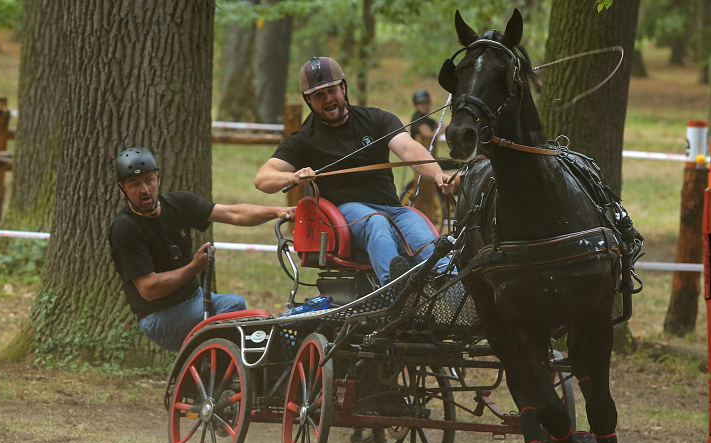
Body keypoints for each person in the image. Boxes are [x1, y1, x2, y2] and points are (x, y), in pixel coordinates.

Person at [254, 56, 455, 284]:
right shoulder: (303, 139)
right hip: (346, 214)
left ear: (343, 88)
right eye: (319, 95)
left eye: (332, 91)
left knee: (431, 246)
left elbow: (409, 149)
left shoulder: (376, 119)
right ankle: (394, 289)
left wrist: (437, 174)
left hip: (394, 209)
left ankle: (454, 291)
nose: (328, 99)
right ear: (308, 100)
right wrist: (293, 176)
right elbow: (263, 179)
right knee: (377, 222)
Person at [109, 147, 296, 351]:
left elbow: (233, 214)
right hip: (158, 317)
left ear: (158, 179)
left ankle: (270, 356)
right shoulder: (125, 229)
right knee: (233, 306)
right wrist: (194, 267)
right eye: (135, 184)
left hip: (195, 299)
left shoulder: (178, 203)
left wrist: (278, 211)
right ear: (122, 189)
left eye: (149, 180)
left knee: (245, 312)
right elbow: (149, 289)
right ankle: (230, 361)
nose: (145, 189)